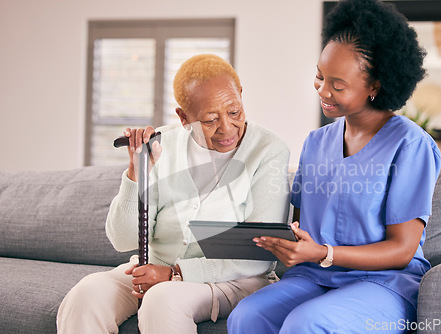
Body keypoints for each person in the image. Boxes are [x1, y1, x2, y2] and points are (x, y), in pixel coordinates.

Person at [227, 0, 441, 333]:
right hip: (314, 276)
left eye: (337, 85)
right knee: (246, 315)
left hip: (383, 284)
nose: (322, 91)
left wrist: (325, 252)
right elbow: (300, 225)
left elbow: (402, 250)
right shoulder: (316, 142)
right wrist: (288, 244)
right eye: (319, 76)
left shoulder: (410, 145)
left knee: (306, 322)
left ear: (375, 85)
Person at [57, 54, 291, 333]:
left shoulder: (268, 150)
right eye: (210, 119)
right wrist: (136, 173)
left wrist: (176, 274)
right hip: (155, 266)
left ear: (240, 95)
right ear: (183, 117)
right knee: (86, 295)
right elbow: (123, 240)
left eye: (234, 112)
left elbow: (261, 250)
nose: (227, 128)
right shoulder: (161, 144)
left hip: (235, 280)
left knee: (162, 298)